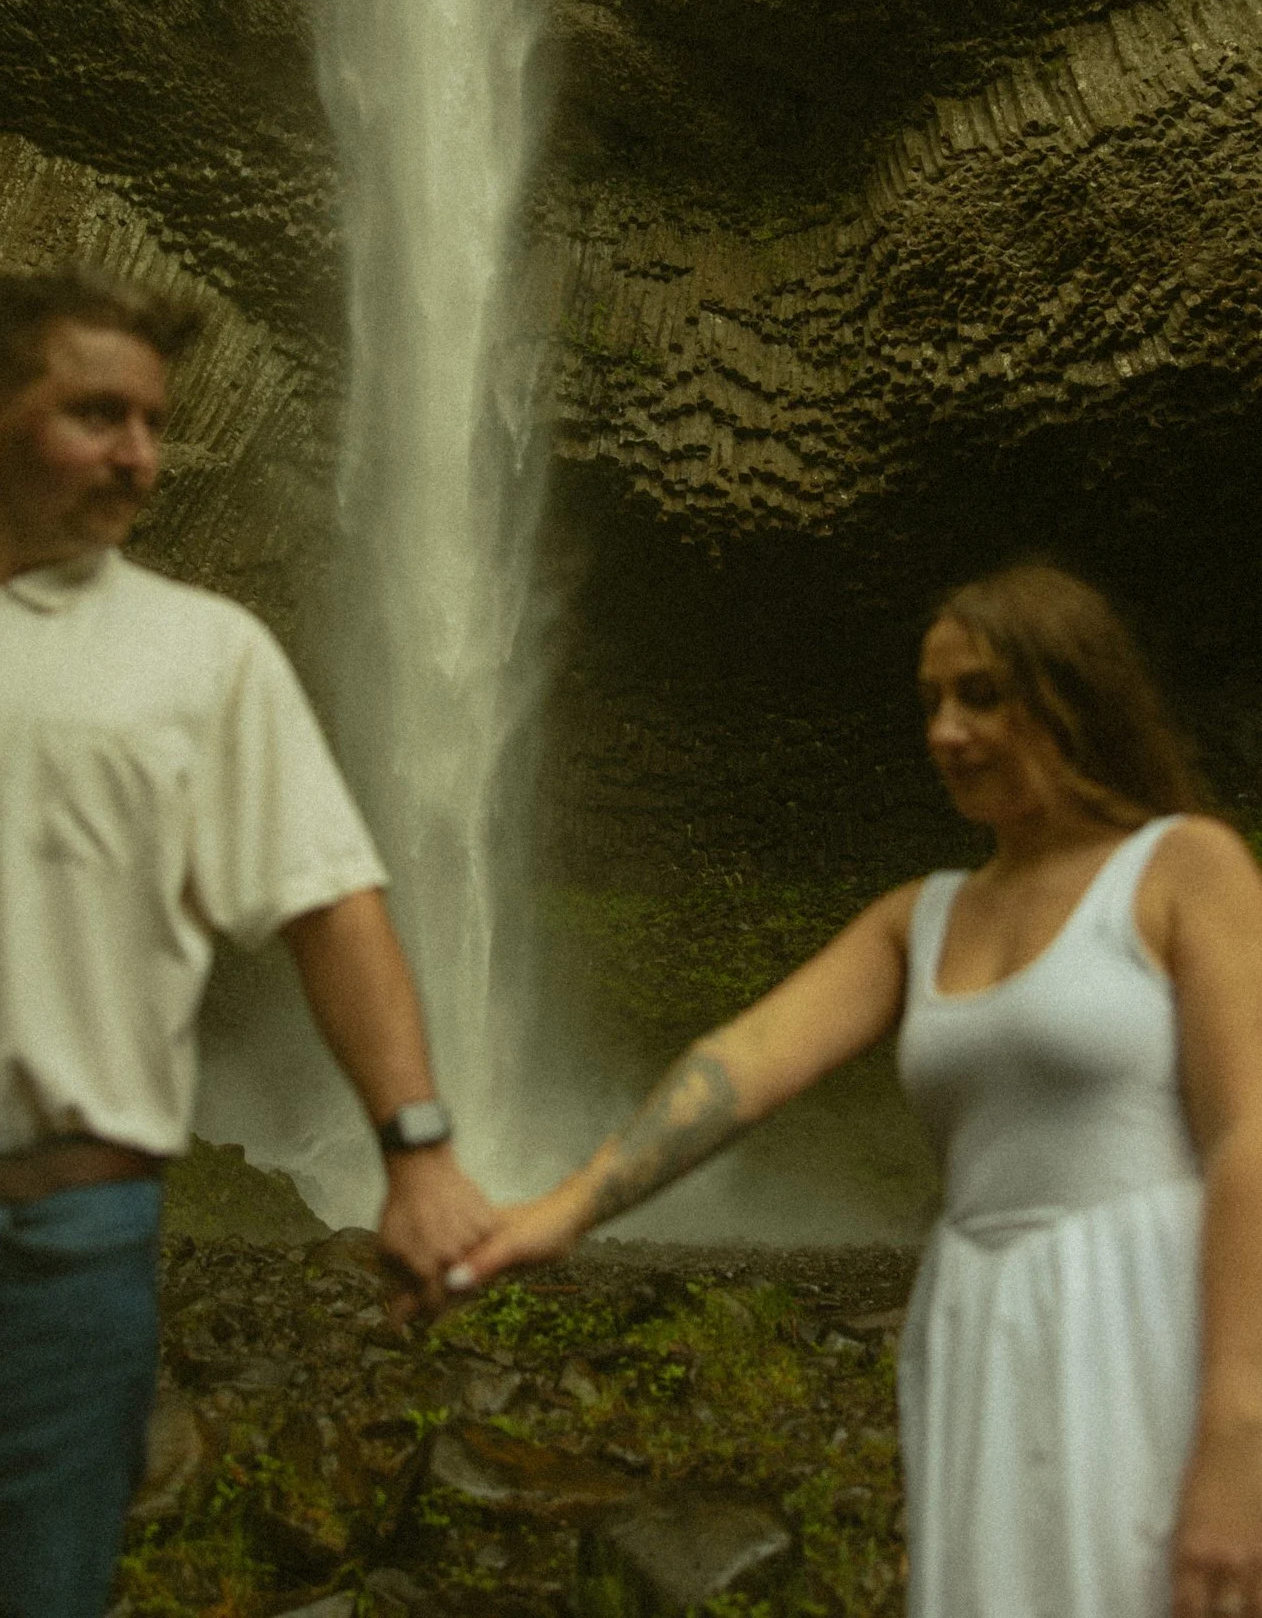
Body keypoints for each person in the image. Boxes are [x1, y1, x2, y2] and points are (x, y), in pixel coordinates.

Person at [450, 562, 1262, 1618]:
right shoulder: (918, 918)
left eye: (977, 692)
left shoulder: (1179, 868)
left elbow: (1247, 1135)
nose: (944, 730)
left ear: (1070, 689)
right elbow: (737, 1065)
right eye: (929, 701)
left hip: (1143, 1308)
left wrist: (1236, 1431)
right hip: (982, 1318)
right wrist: (555, 1212)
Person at [0, 266, 493, 1618]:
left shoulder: (203, 656)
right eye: (99, 417)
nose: (139, 458)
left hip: (55, 1245)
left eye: (155, 424)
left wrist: (416, 1154)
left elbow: (331, 908)